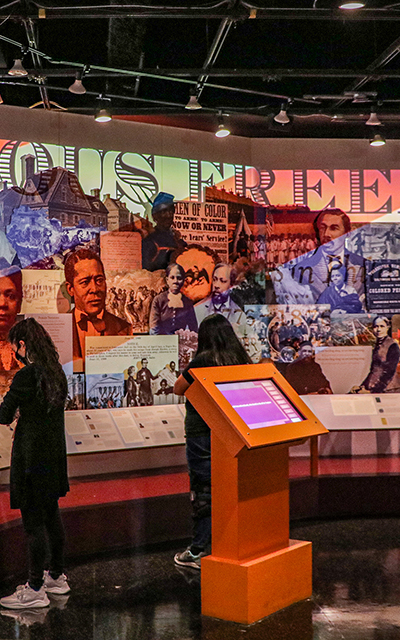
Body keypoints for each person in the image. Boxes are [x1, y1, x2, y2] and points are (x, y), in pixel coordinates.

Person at [0, 318, 71, 609]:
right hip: (53, 456)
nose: (15, 351)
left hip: (31, 458)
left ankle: (35, 588)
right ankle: (56, 576)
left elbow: (4, 414)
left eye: (15, 346)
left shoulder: (27, 376)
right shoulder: (57, 373)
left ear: (23, 346)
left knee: (32, 525)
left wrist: (16, 412)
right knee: (52, 516)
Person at [172, 314, 251, 569]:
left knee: (204, 490)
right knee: (230, 486)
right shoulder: (239, 359)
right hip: (232, 433)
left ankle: (197, 550)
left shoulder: (202, 361)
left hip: (201, 434)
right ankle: (228, 542)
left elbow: (178, 387)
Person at [65, 248, 132, 369]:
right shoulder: (58, 329)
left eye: (99, 280)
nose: (94, 289)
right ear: (70, 289)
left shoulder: (124, 329)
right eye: (85, 282)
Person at [351, 316, 400, 393]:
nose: (379, 329)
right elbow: (374, 370)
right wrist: (362, 386)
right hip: (377, 386)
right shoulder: (377, 344)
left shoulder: (392, 345)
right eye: (376, 326)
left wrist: (374, 390)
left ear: (388, 327)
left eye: (382, 326)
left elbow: (389, 371)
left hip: (389, 388)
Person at [141, 192, 187, 272]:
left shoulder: (179, 241)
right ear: (154, 215)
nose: (168, 215)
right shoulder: (149, 242)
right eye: (164, 211)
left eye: (171, 211)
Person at [149, 263, 197, 335]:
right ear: (167, 280)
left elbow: (193, 328)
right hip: (162, 340)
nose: (175, 281)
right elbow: (154, 326)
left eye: (179, 278)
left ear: (183, 281)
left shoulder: (187, 302)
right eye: (172, 278)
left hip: (180, 341)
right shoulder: (158, 300)